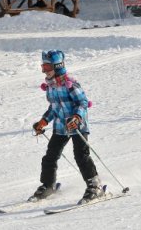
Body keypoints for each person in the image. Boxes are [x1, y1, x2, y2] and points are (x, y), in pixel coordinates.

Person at [31, 50, 103, 204]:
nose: (44, 70)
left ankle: (95, 186)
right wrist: (44, 121)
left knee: (81, 155)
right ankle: (48, 185)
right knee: (50, 156)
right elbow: (53, 108)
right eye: (42, 66)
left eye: (47, 66)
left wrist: (77, 117)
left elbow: (83, 103)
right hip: (60, 127)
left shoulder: (70, 84)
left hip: (77, 126)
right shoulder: (50, 86)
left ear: (57, 66)